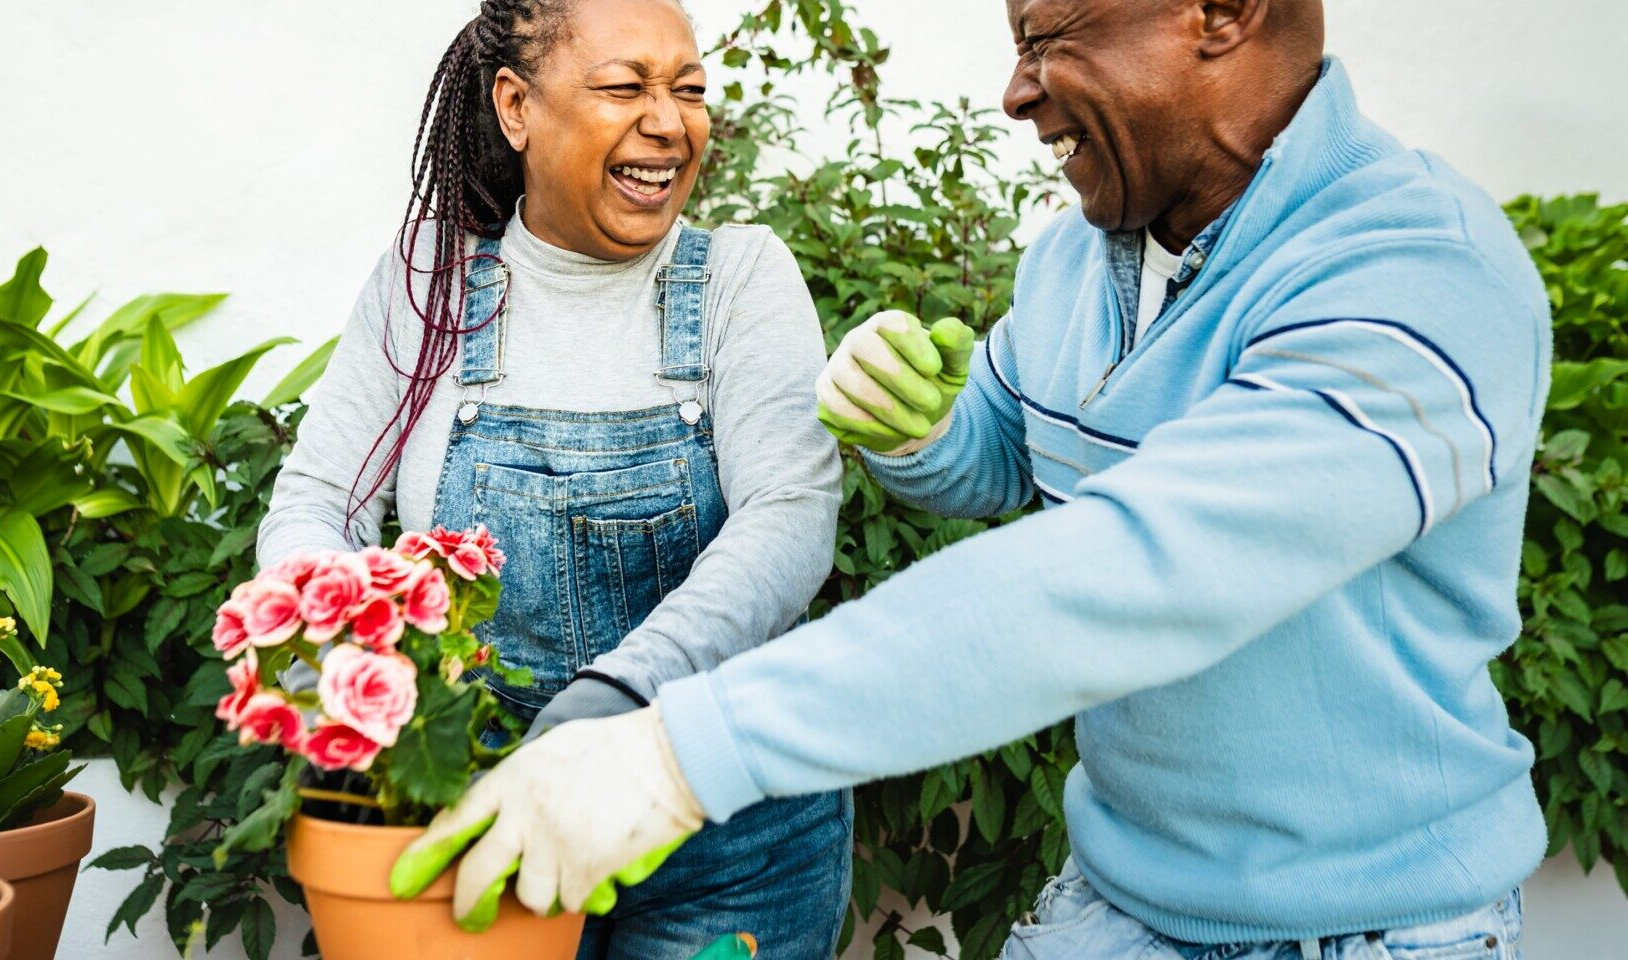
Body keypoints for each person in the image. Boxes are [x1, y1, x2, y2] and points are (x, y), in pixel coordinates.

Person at [391, 1, 1553, 957]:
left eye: (1052, 40)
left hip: (1373, 930)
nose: (1017, 91)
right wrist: (917, 433)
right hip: (1120, 906)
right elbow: (1003, 454)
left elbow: (1137, 570)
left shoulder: (1416, 272)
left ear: (1222, 15)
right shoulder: (1078, 258)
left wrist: (679, 750)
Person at [255, 0, 852, 956]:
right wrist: (347, 662)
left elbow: (789, 515)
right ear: (516, 106)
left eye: (688, 89)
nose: (669, 121)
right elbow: (321, 502)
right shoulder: (432, 284)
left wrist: (618, 693)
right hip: (487, 818)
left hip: (725, 831)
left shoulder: (739, 278)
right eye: (626, 87)